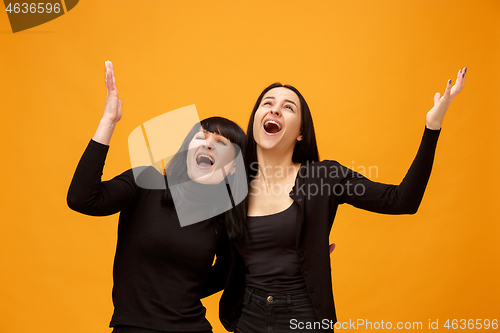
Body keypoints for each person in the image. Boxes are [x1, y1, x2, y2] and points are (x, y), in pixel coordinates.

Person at [219, 68, 467, 332]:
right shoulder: (232, 185)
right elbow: (195, 248)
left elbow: (402, 201)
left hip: (304, 318)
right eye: (267, 103)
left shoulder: (324, 176)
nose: (275, 110)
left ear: (301, 132)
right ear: (255, 119)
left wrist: (433, 127)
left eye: (288, 107)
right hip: (249, 318)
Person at [67, 61, 247, 333]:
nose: (208, 143)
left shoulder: (225, 217)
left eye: (221, 143)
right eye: (200, 137)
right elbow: (82, 199)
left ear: (233, 165)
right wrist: (108, 121)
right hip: (132, 327)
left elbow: (228, 272)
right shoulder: (146, 182)